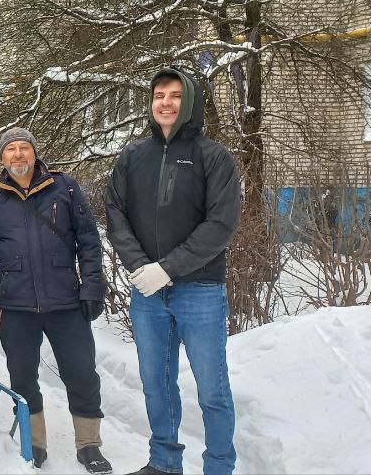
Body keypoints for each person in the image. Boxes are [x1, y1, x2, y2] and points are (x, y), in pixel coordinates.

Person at [106, 68, 242, 475]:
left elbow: (221, 224)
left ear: (191, 102)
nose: (165, 102)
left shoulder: (213, 156)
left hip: (199, 290)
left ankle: (219, 466)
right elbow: (115, 213)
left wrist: (167, 268)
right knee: (156, 385)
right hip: (147, 293)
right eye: (159, 95)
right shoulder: (133, 156)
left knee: (212, 389)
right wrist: (139, 265)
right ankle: (164, 462)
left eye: (176, 95)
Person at [0, 128, 112, 473]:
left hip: (66, 301)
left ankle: (89, 444)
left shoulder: (65, 187)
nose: (18, 154)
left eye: (24, 148)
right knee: (22, 377)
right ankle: (34, 442)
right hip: (15, 306)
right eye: (10, 149)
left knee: (81, 373)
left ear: (35, 153)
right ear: (2, 158)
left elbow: (88, 241)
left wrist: (93, 287)